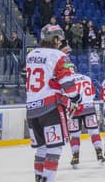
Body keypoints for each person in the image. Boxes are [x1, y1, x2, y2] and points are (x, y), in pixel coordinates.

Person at [25, 24, 80, 182]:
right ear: (55, 39)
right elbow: (67, 83)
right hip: (50, 108)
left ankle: (39, 179)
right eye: (59, 39)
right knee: (54, 148)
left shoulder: (31, 55)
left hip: (31, 108)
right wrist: (76, 98)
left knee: (41, 149)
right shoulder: (59, 56)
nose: (60, 42)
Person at [68, 66, 105, 168]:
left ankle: (75, 156)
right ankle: (99, 153)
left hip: (75, 109)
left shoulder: (67, 80)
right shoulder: (86, 78)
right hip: (89, 108)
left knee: (75, 135)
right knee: (94, 133)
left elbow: (67, 96)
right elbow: (93, 93)